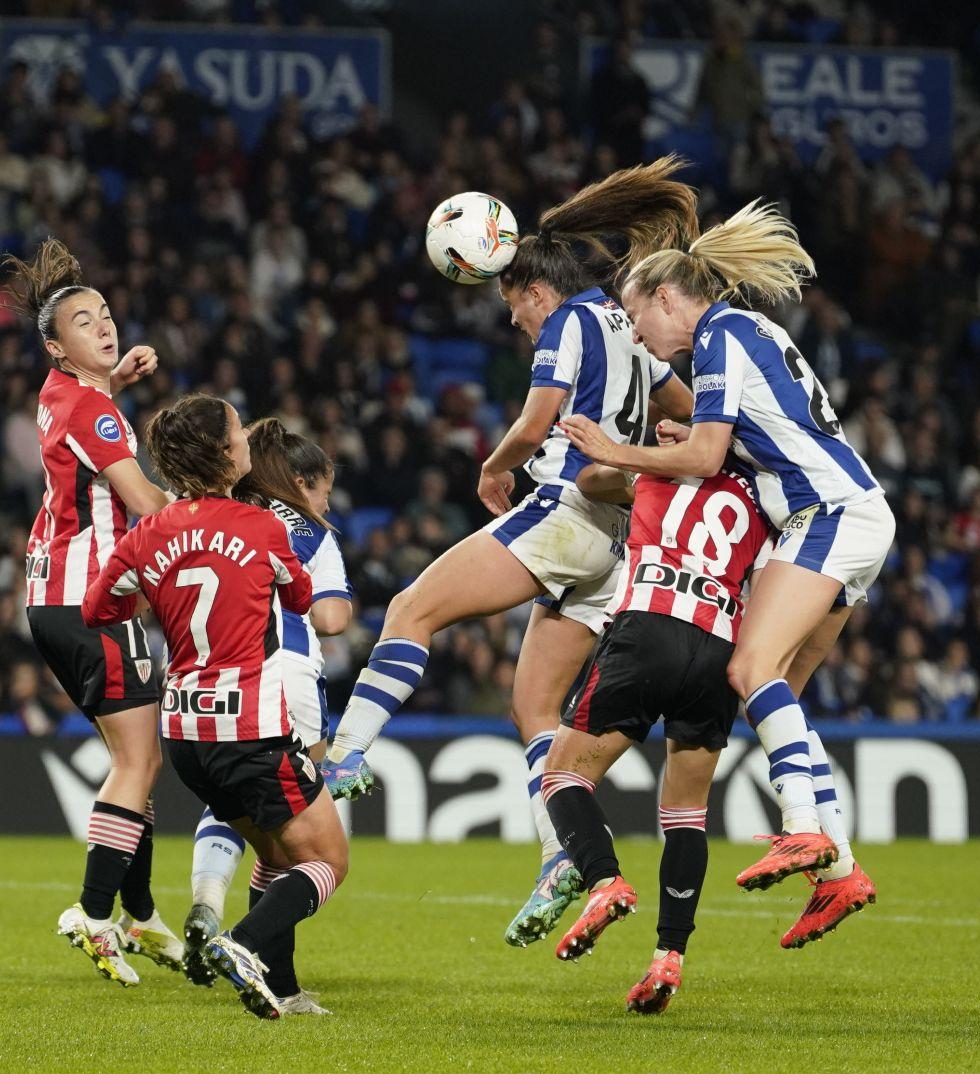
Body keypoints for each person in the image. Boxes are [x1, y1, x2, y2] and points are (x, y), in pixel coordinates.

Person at [324, 157, 700, 951]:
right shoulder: (629, 325)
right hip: (616, 541)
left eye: (510, 303)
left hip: (565, 514)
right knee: (535, 712)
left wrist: (494, 467)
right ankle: (558, 857)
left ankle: (343, 754)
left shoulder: (566, 322)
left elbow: (535, 423)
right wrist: (669, 445)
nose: (512, 320)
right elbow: (690, 409)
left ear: (533, 289)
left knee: (409, 610)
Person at [562, 200, 891, 948]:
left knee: (751, 666)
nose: (640, 337)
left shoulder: (719, 338)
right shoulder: (751, 333)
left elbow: (705, 460)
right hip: (851, 511)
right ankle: (838, 869)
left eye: (637, 317)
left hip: (826, 514)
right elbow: (751, 442)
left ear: (669, 298)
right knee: (779, 694)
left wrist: (617, 452)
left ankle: (803, 829)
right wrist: (703, 439)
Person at [83, 395, 345, 1021]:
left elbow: (98, 610)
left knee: (278, 856)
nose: (247, 438)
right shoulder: (263, 527)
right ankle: (243, 944)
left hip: (184, 733)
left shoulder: (149, 532)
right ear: (226, 453)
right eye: (237, 430)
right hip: (249, 727)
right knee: (326, 859)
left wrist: (154, 592)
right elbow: (304, 596)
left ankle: (281, 987)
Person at [4, 239, 181, 984]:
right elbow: (144, 503)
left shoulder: (61, 394)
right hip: (93, 602)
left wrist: (116, 381)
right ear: (56, 345)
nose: (104, 326)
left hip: (55, 600)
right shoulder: (92, 409)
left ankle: (138, 917)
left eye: (105, 313)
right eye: (84, 321)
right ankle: (94, 913)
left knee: (131, 763)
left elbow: (87, 425)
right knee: (138, 763)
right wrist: (215, 513)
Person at [539, 458, 769, 1009]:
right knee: (687, 813)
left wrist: (638, 451)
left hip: (649, 622)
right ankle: (669, 956)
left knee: (562, 776)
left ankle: (604, 881)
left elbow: (587, 481)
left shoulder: (653, 473)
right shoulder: (763, 503)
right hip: (718, 642)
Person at [182, 418, 351, 1012]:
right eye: (325, 489)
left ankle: (218, 912)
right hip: (286, 686)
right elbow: (329, 620)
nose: (328, 502)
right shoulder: (309, 531)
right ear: (302, 482)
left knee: (257, 828)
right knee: (314, 853)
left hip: (205, 689)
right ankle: (251, 950)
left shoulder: (219, 509)